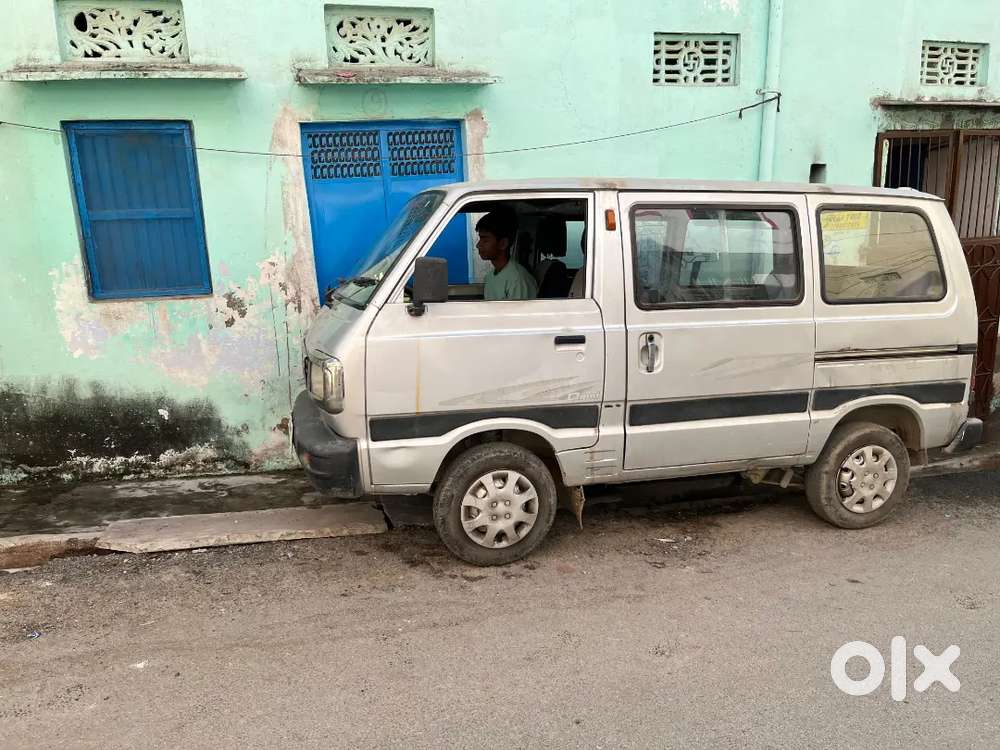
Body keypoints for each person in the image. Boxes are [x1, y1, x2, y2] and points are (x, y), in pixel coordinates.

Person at [476, 209, 538, 301]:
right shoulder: (489, 277)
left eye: (485, 240)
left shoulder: (517, 279)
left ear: (503, 244)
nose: (478, 245)